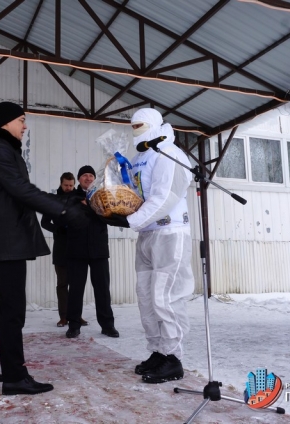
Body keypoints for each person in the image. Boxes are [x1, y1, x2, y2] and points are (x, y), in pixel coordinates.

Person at [0, 101, 88, 395]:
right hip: (7, 239)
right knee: (12, 309)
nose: (25, 125)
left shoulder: (3, 150)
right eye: (21, 119)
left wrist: (66, 203)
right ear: (6, 122)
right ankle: (15, 376)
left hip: (8, 237)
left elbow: (20, 190)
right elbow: (21, 190)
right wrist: (62, 210)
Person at [103, 108, 195, 384]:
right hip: (147, 234)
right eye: (132, 127)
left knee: (166, 297)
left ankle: (174, 358)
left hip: (170, 232)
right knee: (145, 297)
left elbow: (165, 197)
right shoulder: (140, 158)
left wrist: (130, 220)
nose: (136, 131)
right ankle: (158, 350)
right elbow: (135, 193)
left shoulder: (171, 154)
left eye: (141, 126)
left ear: (155, 124)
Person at [64, 165, 119, 340]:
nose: (88, 178)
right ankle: (73, 325)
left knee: (102, 289)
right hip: (76, 250)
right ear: (79, 179)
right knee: (75, 290)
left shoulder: (102, 195)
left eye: (91, 175)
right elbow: (64, 216)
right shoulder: (71, 197)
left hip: (99, 250)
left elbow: (109, 217)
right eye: (84, 175)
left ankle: (108, 326)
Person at [40, 172, 88, 328]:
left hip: (77, 247)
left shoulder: (79, 200)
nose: (68, 188)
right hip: (61, 247)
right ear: (60, 184)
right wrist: (57, 229)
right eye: (66, 185)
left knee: (77, 284)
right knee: (62, 283)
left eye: (71, 185)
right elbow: (44, 222)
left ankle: (76, 316)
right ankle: (63, 316)